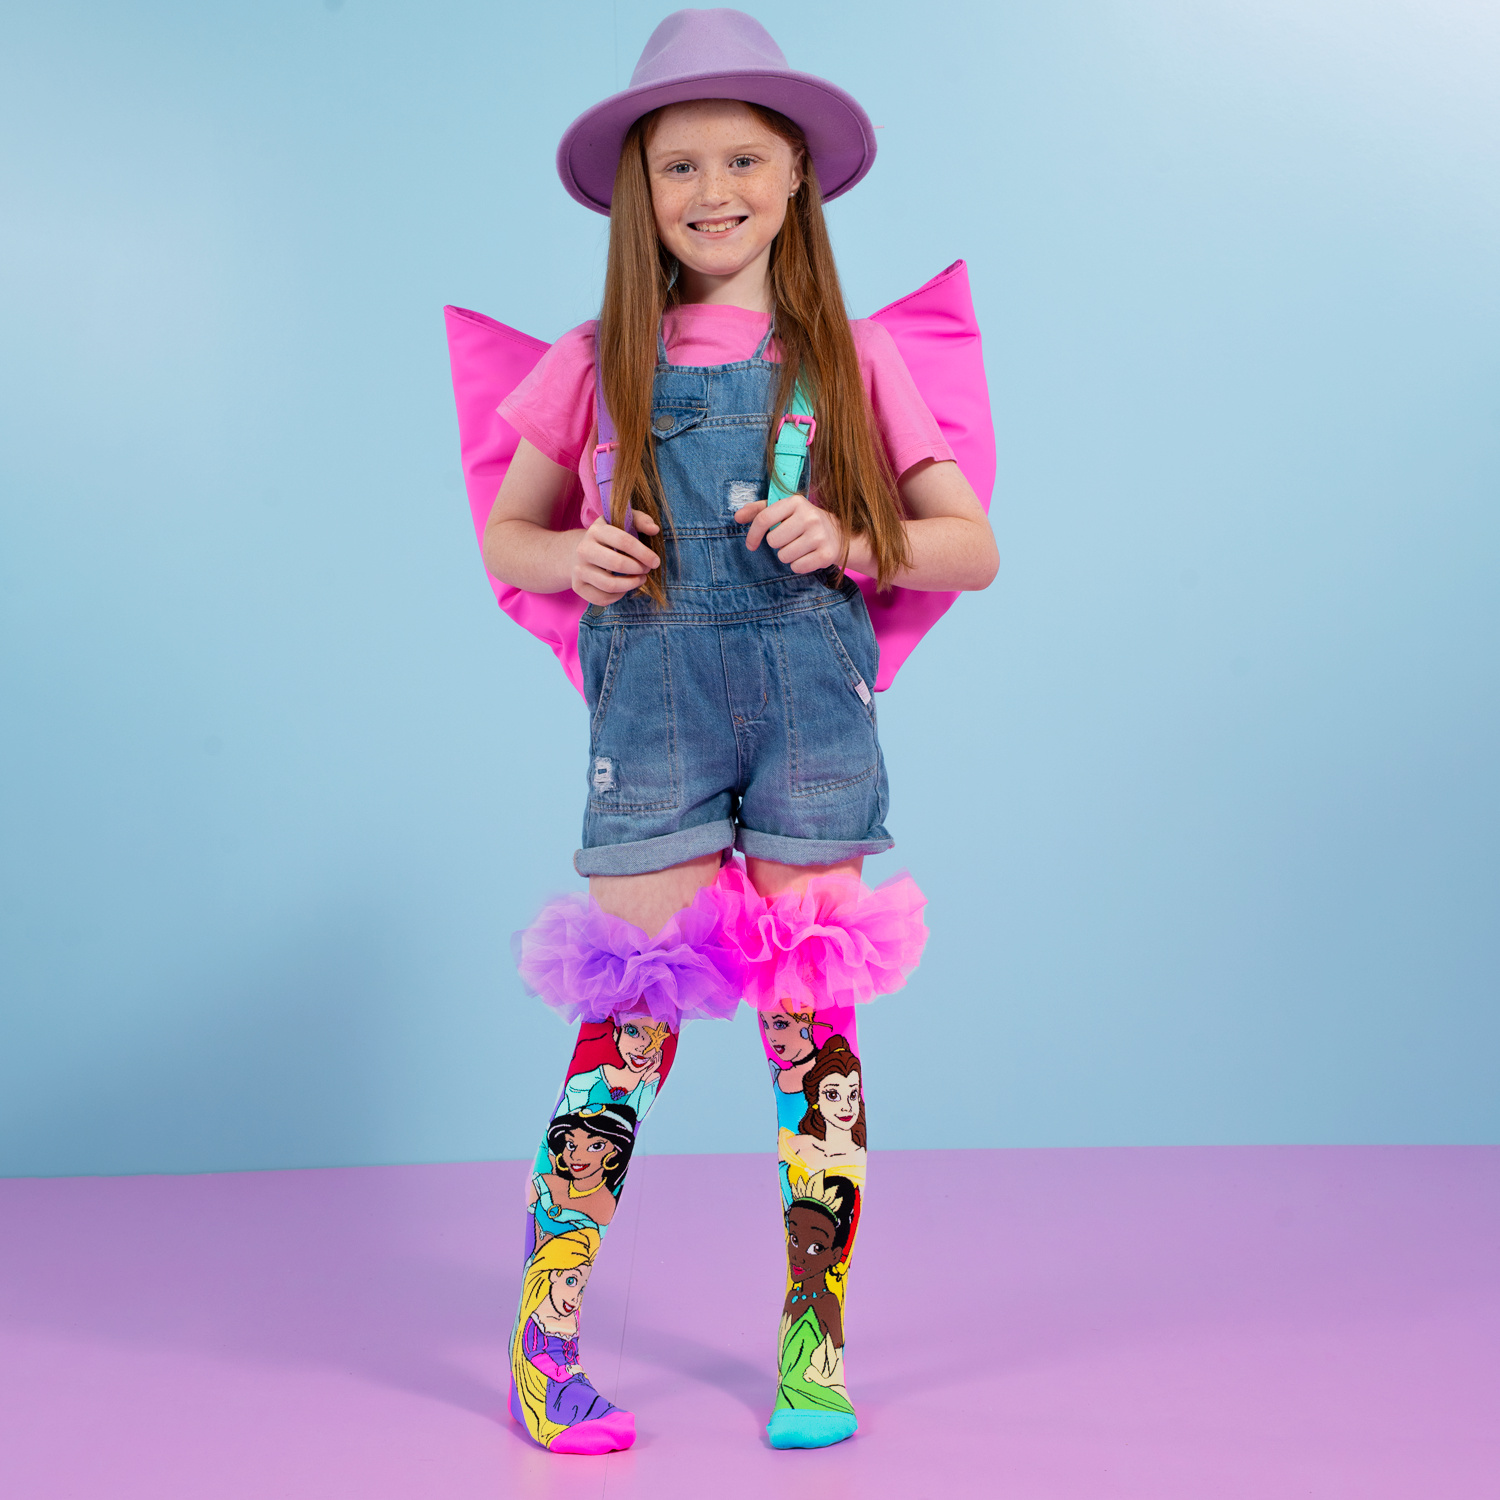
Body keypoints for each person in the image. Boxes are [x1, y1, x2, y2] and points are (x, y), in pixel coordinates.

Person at [485, 9, 996, 1455]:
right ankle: (545, 1346)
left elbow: (971, 547)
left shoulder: (856, 354)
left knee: (810, 1041)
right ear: (638, 190)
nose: (713, 190)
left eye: (744, 159)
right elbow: (508, 534)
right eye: (679, 165)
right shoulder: (595, 358)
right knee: (624, 1032)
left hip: (812, 724)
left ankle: (813, 1346)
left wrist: (857, 534)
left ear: (797, 177)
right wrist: (566, 553)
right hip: (653, 715)